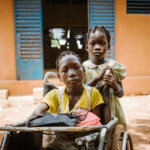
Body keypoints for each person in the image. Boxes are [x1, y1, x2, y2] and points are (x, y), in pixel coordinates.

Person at [28, 50, 104, 149]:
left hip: (85, 142)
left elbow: (96, 125)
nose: (72, 73)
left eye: (76, 68)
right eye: (65, 70)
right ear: (59, 76)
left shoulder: (93, 94)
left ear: (83, 71)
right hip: (59, 143)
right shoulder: (54, 95)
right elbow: (35, 115)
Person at [82, 25, 127, 129]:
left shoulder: (113, 67)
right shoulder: (83, 67)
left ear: (109, 46)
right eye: (92, 44)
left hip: (111, 110)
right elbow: (81, 91)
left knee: (111, 133)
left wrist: (115, 86)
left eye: (102, 43)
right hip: (90, 110)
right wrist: (97, 79)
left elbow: (121, 94)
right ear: (86, 47)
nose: (97, 47)